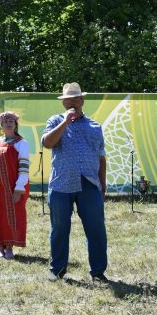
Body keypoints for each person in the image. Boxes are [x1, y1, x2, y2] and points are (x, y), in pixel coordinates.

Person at [42, 82, 109, 282]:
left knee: (96, 229)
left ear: (82, 100)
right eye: (66, 100)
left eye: (74, 99)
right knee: (60, 229)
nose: (70, 103)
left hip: (89, 184)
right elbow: (47, 143)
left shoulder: (95, 127)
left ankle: (98, 272)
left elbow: (101, 158)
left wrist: (102, 185)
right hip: (61, 183)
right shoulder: (55, 121)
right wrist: (65, 122)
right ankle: (57, 270)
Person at [0, 111, 30, 259]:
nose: (8, 123)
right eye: (5, 121)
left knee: (13, 215)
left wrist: (19, 188)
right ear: (1, 125)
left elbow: (24, 167)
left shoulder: (22, 143)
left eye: (11, 121)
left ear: (15, 125)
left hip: (13, 186)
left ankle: (9, 247)